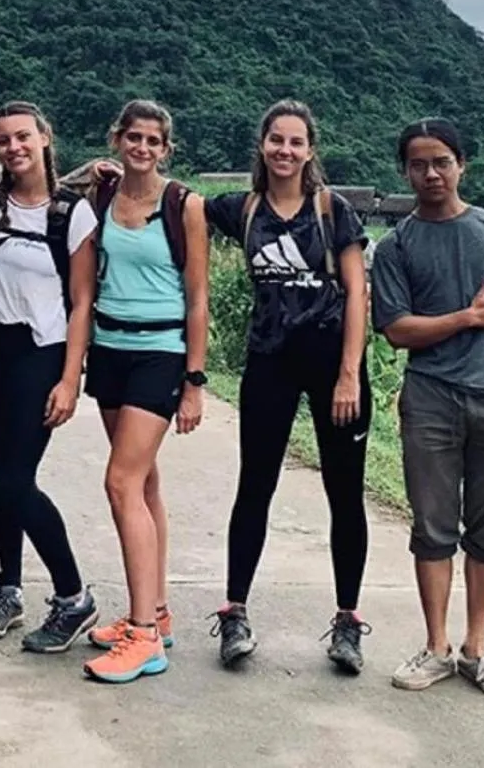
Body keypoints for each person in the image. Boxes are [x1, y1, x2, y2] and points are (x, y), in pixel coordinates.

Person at [370, 117, 484, 703]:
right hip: (431, 401)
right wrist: (466, 319)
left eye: (441, 161)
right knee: (433, 527)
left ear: (461, 165)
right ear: (405, 171)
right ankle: (436, 645)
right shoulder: (396, 247)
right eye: (418, 164)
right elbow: (397, 330)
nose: (430, 173)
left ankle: (477, 648)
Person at [203, 100, 373, 673]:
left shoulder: (333, 210)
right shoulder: (244, 209)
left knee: (344, 494)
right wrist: (108, 178)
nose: (285, 151)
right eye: (276, 140)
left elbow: (357, 295)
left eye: (295, 142)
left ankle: (348, 622)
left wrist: (350, 373)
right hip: (270, 361)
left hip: (333, 368)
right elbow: (174, 205)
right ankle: (234, 612)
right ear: (262, 145)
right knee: (255, 486)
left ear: (310, 150)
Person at [0, 102, 100, 653]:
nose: (13, 147)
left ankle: (73, 597)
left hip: (39, 353)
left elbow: (83, 300)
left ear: (44, 138)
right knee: (1, 478)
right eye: (2, 140)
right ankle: (8, 590)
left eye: (23, 136)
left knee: (17, 479)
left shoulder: (73, 213)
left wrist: (70, 378)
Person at [80, 100, 209, 685]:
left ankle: (143, 637)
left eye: (154, 140)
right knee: (145, 480)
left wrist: (195, 382)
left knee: (120, 481)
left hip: (159, 354)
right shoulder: (102, 197)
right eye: (133, 137)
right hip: (110, 347)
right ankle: (155, 608)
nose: (142, 148)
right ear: (117, 139)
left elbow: (198, 297)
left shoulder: (184, 205)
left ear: (167, 148)